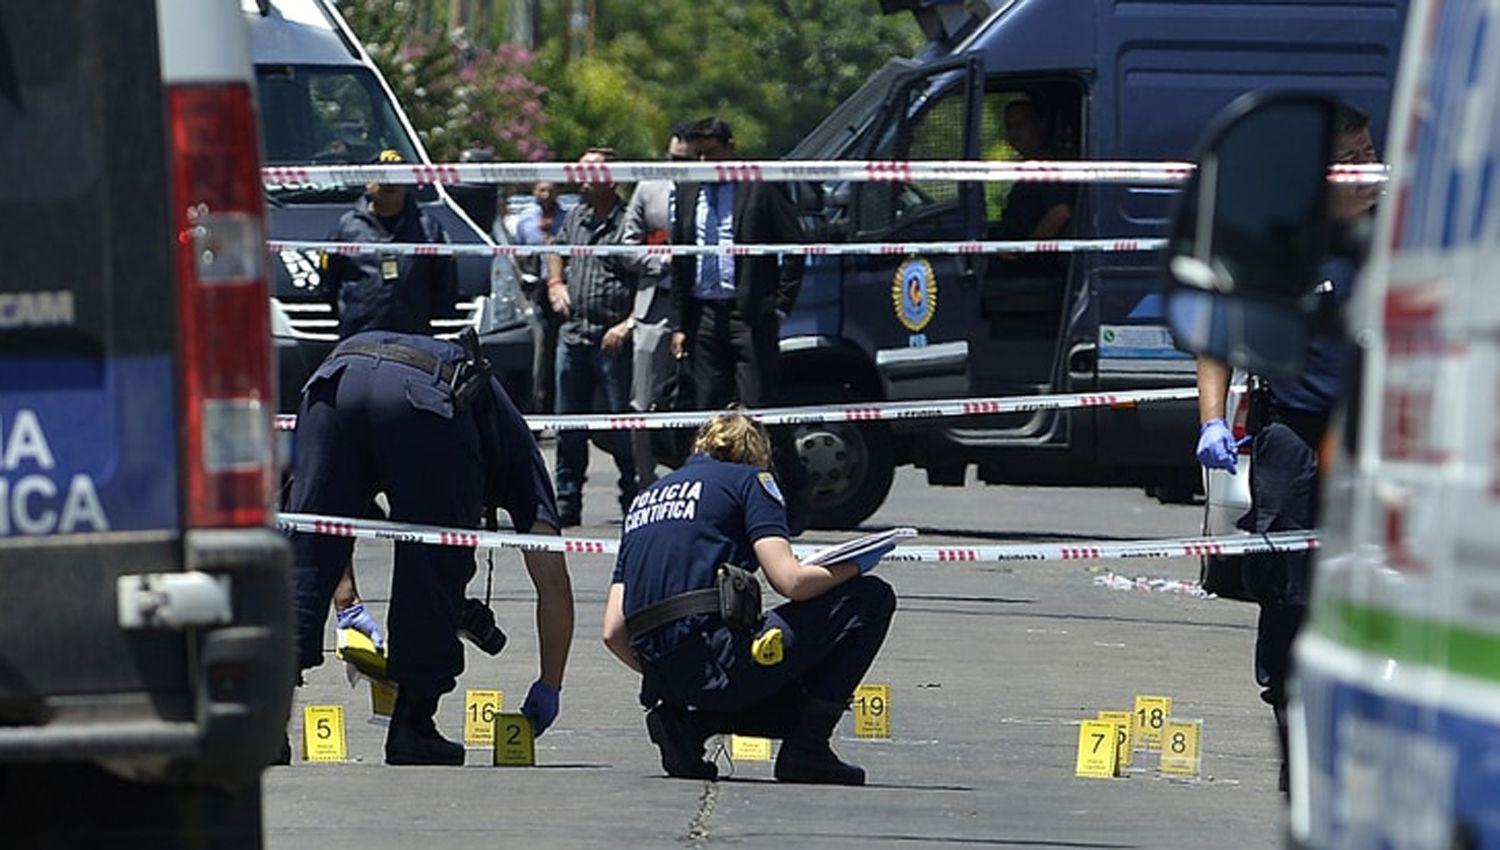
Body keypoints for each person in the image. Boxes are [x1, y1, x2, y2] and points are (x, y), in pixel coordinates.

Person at [1193, 102, 1378, 792]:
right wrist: (1213, 420)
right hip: (1297, 435)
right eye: (1349, 160)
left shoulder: (1405, 234)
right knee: (1288, 591)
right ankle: (1294, 740)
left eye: (1369, 155)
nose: (1366, 171)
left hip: (1381, 440)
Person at [286, 328, 574, 765]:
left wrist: (347, 601)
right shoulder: (517, 451)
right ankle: (413, 726)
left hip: (335, 381)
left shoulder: (489, 416)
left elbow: (324, 525)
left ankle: (268, 724)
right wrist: (550, 685)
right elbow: (553, 582)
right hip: (423, 396)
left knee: (307, 541)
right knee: (435, 559)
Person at [602, 412, 896, 785]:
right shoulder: (752, 481)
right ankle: (808, 747)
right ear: (759, 454)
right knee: (870, 599)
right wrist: (856, 564)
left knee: (744, 665)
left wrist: (672, 674)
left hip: (661, 678)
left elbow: (613, 631)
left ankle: (689, 724)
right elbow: (790, 581)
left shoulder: (645, 499)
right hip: (719, 658)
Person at [669, 117, 810, 530]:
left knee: (759, 408)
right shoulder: (689, 189)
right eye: (697, 155)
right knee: (707, 411)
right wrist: (679, 323)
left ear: (731, 147)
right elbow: (680, 260)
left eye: (710, 153)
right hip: (703, 315)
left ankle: (789, 499)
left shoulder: (759, 185)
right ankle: (713, 503)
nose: (703, 162)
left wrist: (779, 307)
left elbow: (796, 246)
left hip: (749, 314)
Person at [547, 149, 639, 527]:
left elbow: (651, 280)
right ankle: (567, 501)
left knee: (623, 427)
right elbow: (556, 249)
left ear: (611, 178)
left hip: (614, 339)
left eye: (591, 170)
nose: (581, 176)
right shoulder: (575, 216)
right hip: (574, 336)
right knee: (569, 425)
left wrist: (628, 324)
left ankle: (634, 499)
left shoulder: (630, 220)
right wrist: (555, 282)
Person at [618, 128, 691, 487]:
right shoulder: (649, 189)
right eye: (673, 159)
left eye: (686, 161)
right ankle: (645, 483)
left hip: (700, 307)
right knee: (642, 403)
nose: (678, 166)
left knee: (702, 398)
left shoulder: (712, 188)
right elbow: (625, 246)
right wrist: (661, 260)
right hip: (654, 307)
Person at [321, 149, 458, 339]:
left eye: (397, 175)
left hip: (413, 340)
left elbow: (445, 284)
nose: (390, 182)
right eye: (382, 175)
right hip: (359, 338)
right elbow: (329, 283)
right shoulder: (346, 228)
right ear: (367, 182)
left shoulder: (428, 228)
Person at [990, 99, 1075, 277]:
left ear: (1039, 126)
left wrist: (1022, 251)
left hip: (1034, 265)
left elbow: (1060, 212)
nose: (1014, 133)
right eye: (1009, 127)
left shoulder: (1047, 167)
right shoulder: (1028, 166)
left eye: (1020, 125)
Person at [513, 180, 568, 412]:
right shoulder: (525, 220)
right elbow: (516, 254)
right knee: (539, 346)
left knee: (558, 347)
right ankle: (537, 401)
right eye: (542, 189)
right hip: (535, 290)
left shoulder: (567, 219)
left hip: (562, 290)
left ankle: (555, 402)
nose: (546, 195)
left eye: (550, 190)